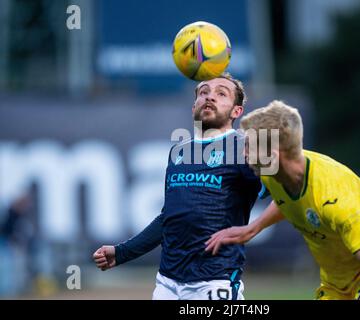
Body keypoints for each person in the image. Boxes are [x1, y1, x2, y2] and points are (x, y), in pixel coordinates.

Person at [205, 100, 360, 300]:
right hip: (338, 281)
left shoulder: (334, 199)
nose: (244, 154)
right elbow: (289, 200)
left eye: (249, 146)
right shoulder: (274, 173)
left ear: (272, 153)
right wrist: (253, 228)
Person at [93, 73, 262, 300]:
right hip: (167, 284)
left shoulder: (245, 147)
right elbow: (168, 218)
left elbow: (283, 194)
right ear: (194, 107)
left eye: (221, 93)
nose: (210, 97)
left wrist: (255, 227)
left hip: (214, 281)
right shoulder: (179, 152)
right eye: (204, 92)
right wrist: (121, 253)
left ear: (236, 111)